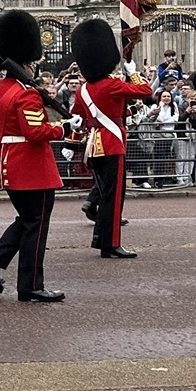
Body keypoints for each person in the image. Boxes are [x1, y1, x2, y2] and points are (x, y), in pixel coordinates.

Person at [0, 9, 66, 302]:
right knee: (36, 226)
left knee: (27, 220)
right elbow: (35, 132)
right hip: (30, 165)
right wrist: (63, 129)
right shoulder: (26, 93)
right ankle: (31, 285)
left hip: (7, 162)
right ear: (27, 63)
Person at [70, 19, 153, 258]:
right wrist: (134, 73)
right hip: (112, 143)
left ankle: (102, 239)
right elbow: (146, 92)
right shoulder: (112, 84)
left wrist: (71, 144)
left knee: (106, 196)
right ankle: (111, 243)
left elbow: (79, 118)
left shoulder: (83, 90)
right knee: (114, 198)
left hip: (92, 147)